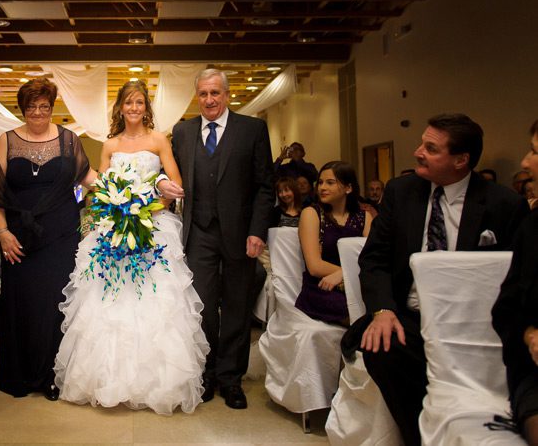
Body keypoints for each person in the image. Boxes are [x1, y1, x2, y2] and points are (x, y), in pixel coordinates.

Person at [342, 113, 529, 445]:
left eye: (430, 148)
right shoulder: (401, 192)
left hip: (478, 325)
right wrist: (383, 311)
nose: (417, 152)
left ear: (461, 160)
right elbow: (374, 260)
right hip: (410, 316)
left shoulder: (504, 204)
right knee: (381, 349)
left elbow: (522, 275)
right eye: (421, 144)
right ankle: (420, 436)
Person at [54, 80, 209, 415]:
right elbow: (103, 188)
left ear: (146, 107)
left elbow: (176, 184)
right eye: (129, 103)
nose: (134, 108)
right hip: (114, 230)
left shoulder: (159, 140)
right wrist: (111, 209)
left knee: (154, 301)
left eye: (140, 102)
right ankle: (106, 378)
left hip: (153, 227)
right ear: (120, 108)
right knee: (111, 301)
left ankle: (157, 384)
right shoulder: (109, 144)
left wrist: (157, 191)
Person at [164, 68, 274, 410]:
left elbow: (265, 186)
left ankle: (231, 379)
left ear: (227, 95)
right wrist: (160, 186)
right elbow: (165, 174)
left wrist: (258, 230)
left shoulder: (251, 129)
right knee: (204, 309)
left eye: (215, 93)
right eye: (203, 94)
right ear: (197, 96)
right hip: (199, 233)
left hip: (242, 235)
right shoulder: (182, 132)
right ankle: (208, 373)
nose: (209, 100)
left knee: (238, 308)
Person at [0, 78, 97, 401]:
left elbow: (89, 178)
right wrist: (3, 232)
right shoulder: (6, 141)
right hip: (18, 236)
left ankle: (53, 377)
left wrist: (124, 193)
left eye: (44, 107)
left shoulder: (69, 140)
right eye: (31, 107)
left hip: (62, 233)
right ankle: (21, 376)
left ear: (52, 108)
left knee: (56, 305)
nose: (38, 112)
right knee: (22, 303)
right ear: (23, 109)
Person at [492, 119, 538, 446]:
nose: (524, 162)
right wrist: (531, 333)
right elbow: (507, 309)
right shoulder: (533, 228)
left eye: (535, 152)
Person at [295, 161, 372, 324]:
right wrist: (346, 273)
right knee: (355, 310)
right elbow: (315, 267)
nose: (322, 187)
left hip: (357, 283)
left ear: (348, 188)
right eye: (320, 182)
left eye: (330, 183)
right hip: (322, 287)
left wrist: (343, 275)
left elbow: (372, 258)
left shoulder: (364, 217)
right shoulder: (312, 214)